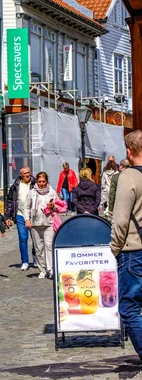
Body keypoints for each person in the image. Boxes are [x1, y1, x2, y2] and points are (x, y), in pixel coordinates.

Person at [110, 130, 142, 363]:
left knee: (130, 309)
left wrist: (114, 248)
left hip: (133, 250)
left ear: (129, 152)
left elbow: (120, 220)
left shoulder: (128, 177)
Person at [24, 172, 60, 279]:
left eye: (43, 182)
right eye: (39, 182)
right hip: (35, 224)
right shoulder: (32, 193)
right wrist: (27, 219)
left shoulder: (52, 192)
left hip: (49, 223)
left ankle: (51, 269)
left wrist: (53, 206)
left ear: (47, 181)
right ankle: (42, 269)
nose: (41, 184)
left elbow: (59, 206)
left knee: (49, 246)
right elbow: (26, 207)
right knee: (39, 248)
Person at [4, 166, 34, 271]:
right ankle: (25, 261)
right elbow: (10, 201)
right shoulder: (15, 186)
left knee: (36, 238)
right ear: (20, 174)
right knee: (22, 238)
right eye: (25, 173)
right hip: (20, 214)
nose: (27, 175)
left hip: (33, 215)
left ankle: (36, 259)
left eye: (28, 172)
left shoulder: (35, 184)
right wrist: (7, 216)